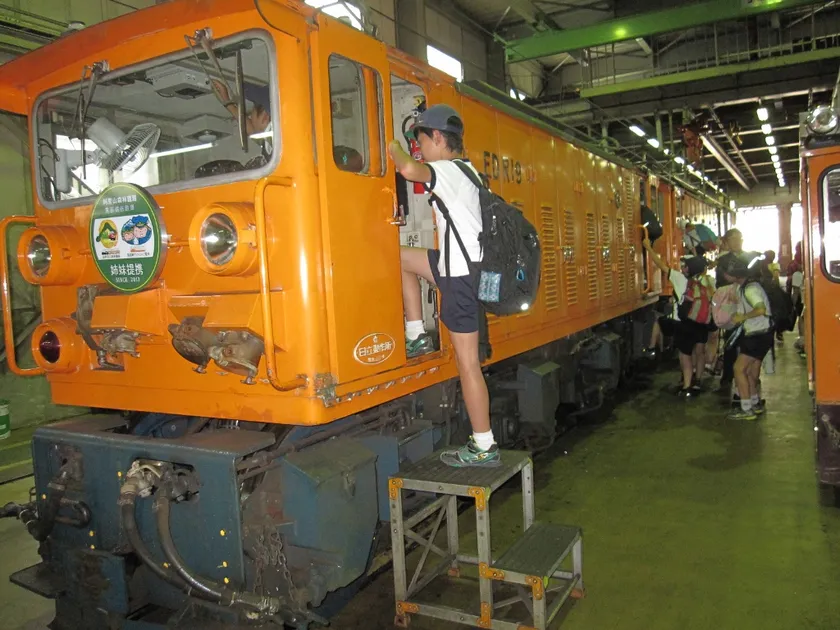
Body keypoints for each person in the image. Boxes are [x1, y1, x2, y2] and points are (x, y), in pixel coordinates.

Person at [388, 103, 498, 468]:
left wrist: (391, 144)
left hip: (461, 278)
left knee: (468, 365)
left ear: (437, 137)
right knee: (398, 256)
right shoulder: (469, 172)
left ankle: (484, 444)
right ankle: (416, 333)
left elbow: (408, 169)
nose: (419, 150)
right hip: (455, 268)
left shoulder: (448, 170)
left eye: (421, 142)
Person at [642, 238, 710, 397]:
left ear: (688, 270)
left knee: (685, 356)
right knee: (698, 352)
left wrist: (648, 248)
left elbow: (661, 266)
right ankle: (697, 381)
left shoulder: (680, 278)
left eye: (685, 266)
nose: (683, 267)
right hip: (701, 323)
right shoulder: (706, 280)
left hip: (684, 323)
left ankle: (686, 387)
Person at [723, 254, 773, 420]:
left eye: (726, 272)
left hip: (756, 335)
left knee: (739, 369)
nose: (724, 275)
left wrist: (742, 317)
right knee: (751, 372)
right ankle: (754, 403)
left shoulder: (750, 289)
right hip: (762, 333)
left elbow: (760, 309)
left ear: (735, 274)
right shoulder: (746, 286)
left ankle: (746, 409)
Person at [715, 228, 744, 391]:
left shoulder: (749, 257)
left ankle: (748, 376)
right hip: (730, 307)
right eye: (733, 239)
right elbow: (720, 281)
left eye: (739, 238)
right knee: (730, 342)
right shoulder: (723, 261)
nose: (737, 241)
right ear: (726, 242)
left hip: (747, 306)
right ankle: (727, 376)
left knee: (747, 342)